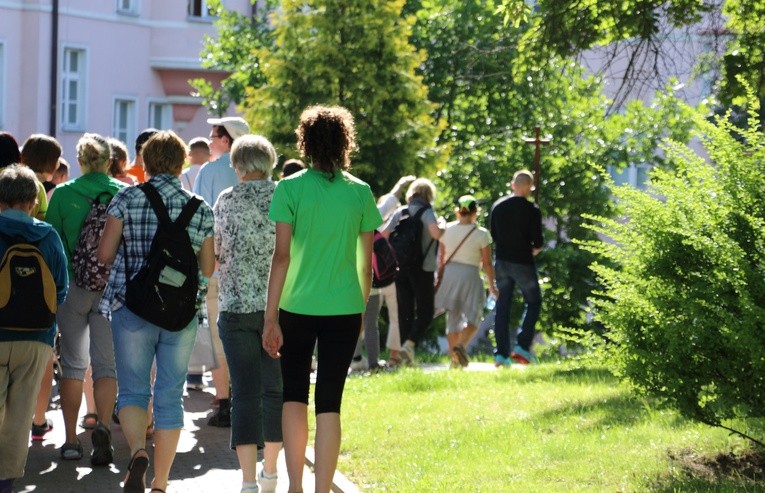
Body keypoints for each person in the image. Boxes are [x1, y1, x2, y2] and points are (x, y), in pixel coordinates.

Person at [263, 105, 382, 493]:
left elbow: (281, 256)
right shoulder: (361, 193)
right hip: (345, 308)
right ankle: (322, 489)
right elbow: (366, 266)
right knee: (330, 401)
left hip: (295, 307)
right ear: (345, 143)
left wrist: (270, 317)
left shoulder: (290, 188)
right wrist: (361, 309)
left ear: (306, 143)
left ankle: (295, 486)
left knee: (294, 393)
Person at [97, 130, 214, 493]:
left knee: (133, 391)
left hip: (133, 308)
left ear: (145, 162)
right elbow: (208, 268)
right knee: (170, 394)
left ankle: (136, 452)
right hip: (180, 315)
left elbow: (104, 254)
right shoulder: (199, 207)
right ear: (181, 163)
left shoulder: (127, 198)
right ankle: (161, 483)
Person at [47, 133, 125, 464]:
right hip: (110, 292)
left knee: (73, 366)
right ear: (109, 161)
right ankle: (103, 428)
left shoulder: (63, 194)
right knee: (106, 365)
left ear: (79, 161)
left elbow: (53, 246)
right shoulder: (124, 193)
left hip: (72, 290)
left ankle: (69, 440)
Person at [214, 134, 283, 493]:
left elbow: (217, 252)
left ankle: (247, 481)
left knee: (243, 393)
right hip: (278, 309)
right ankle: (271, 472)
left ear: (238, 165)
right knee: (274, 391)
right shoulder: (284, 197)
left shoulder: (226, 200)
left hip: (236, 307)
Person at [0, 165, 68, 493]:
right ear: (31, 201)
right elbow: (61, 288)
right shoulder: (47, 235)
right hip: (36, 337)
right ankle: (6, 481)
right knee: (20, 413)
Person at [193, 115, 249, 427]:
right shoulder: (259, 172)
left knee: (219, 336)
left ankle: (224, 400)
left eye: (214, 135)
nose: (210, 140)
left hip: (216, 266)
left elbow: (202, 217)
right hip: (252, 268)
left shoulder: (210, 171)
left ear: (226, 139)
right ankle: (244, 397)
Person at [350, 175, 414, 371]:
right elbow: (391, 201)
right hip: (372, 281)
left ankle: (355, 359)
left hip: (348, 281)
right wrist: (402, 184)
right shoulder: (372, 218)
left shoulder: (341, 221)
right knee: (371, 324)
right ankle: (373, 363)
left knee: (350, 322)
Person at [381, 178, 445, 365]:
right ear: (428, 195)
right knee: (426, 311)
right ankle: (409, 345)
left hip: (400, 268)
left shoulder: (400, 212)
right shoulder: (427, 212)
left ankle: (404, 355)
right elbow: (435, 234)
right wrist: (442, 226)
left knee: (405, 313)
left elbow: (384, 235)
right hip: (423, 268)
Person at [434, 195, 498, 368]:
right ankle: (461, 346)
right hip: (470, 275)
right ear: (475, 212)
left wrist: (439, 278)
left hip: (449, 274)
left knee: (452, 318)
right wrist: (492, 286)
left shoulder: (446, 229)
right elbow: (487, 263)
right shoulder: (482, 234)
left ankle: (455, 361)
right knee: (474, 317)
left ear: (458, 212)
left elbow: (441, 258)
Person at [490, 170, 543, 366]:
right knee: (534, 301)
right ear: (529, 187)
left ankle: (501, 355)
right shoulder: (532, 210)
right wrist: (533, 250)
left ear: (513, 185)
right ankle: (522, 345)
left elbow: (492, 236)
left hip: (502, 262)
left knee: (502, 307)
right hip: (523, 263)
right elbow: (537, 243)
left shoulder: (498, 207)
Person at [20, 133, 62, 220]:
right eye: (57, 159)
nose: (58, 164)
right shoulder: (37, 187)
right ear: (48, 161)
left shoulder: (8, 180)